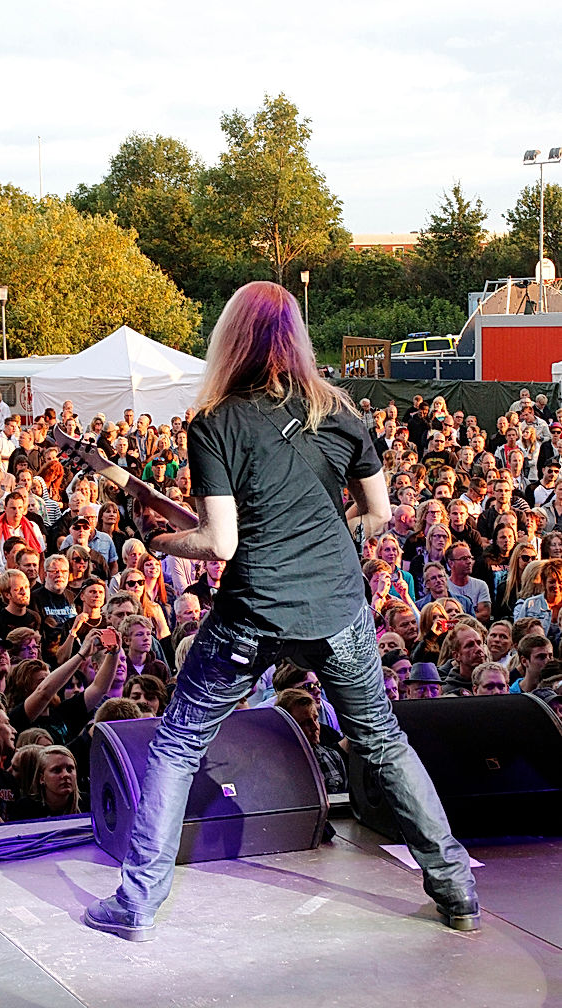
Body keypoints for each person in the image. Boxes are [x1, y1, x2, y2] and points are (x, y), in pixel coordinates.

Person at [84, 280, 478, 942]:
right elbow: (380, 516)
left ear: (230, 339)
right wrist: (319, 534)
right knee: (380, 739)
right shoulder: (343, 413)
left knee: (177, 745)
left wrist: (158, 540)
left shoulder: (215, 421)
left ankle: (136, 905)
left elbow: (219, 544)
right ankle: (454, 887)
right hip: (335, 604)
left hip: (253, 609)